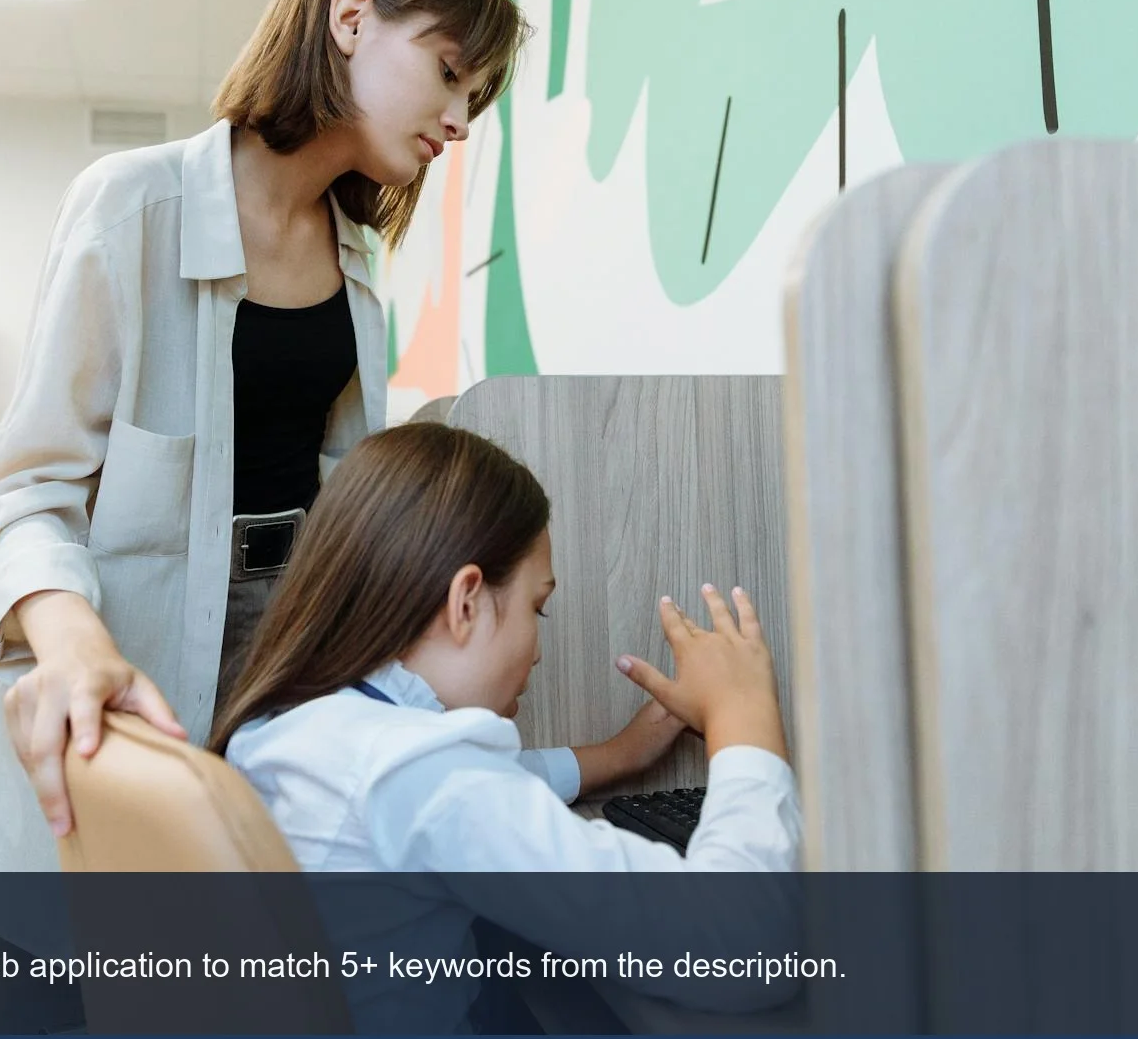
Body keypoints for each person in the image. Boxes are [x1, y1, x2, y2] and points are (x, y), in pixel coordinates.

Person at [0, 0, 668, 1003]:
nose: (461, 118)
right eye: (449, 71)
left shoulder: (359, 257)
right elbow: (16, 492)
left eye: (475, 96)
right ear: (349, 17)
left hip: (287, 655)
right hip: (113, 664)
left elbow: (356, 511)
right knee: (45, 984)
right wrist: (71, 639)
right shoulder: (130, 208)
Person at [213, 422, 802, 1032]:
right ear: (466, 600)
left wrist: (620, 754)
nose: (538, 649)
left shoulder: (293, 724)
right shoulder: (419, 775)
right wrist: (744, 719)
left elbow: (476, 790)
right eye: (535, 607)